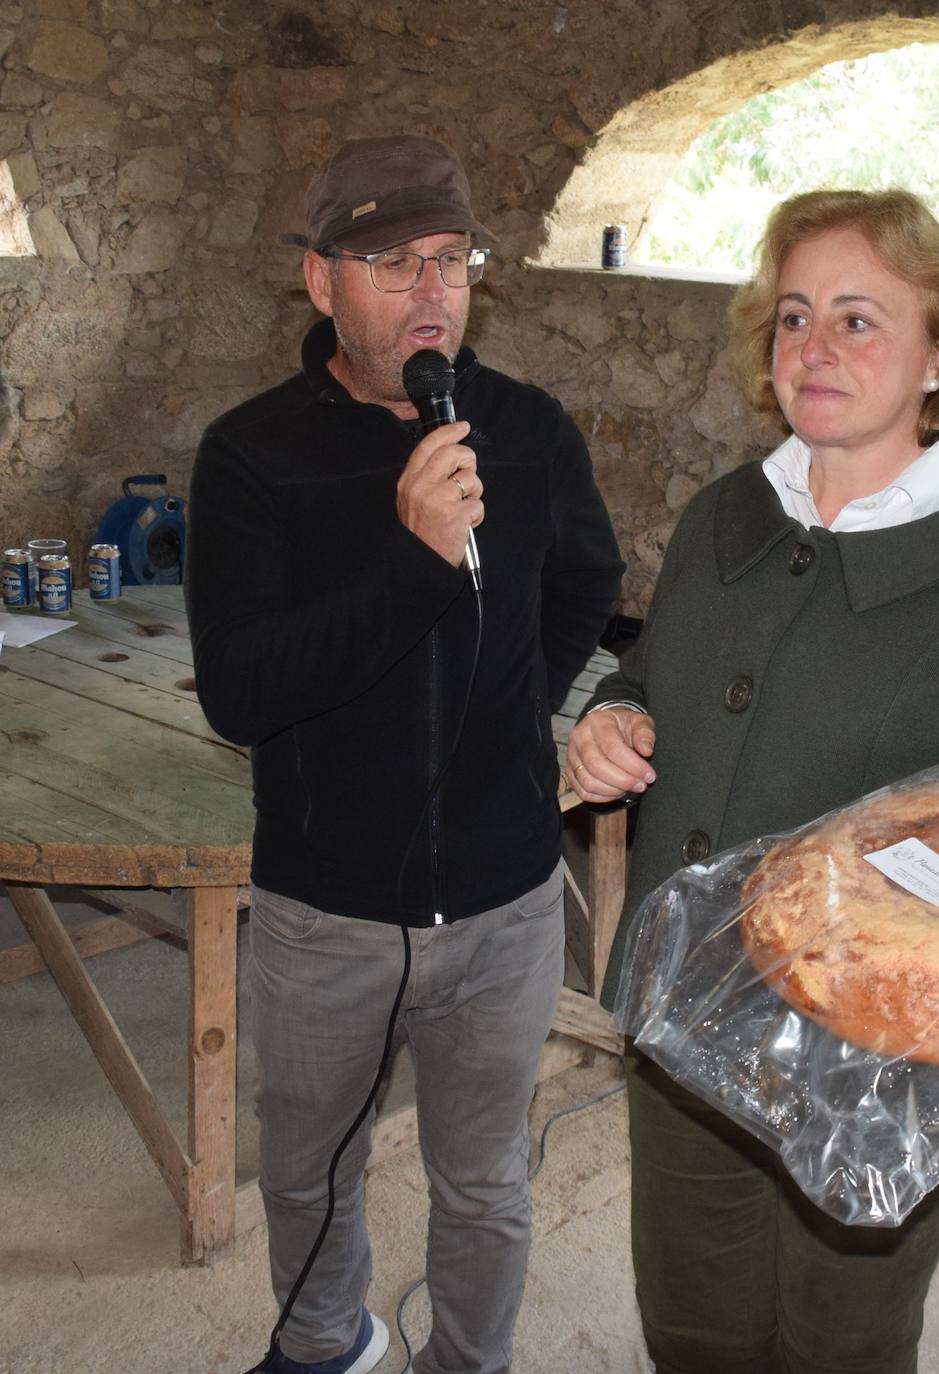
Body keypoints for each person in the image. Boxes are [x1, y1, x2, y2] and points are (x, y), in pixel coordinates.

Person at [567, 188, 939, 1374]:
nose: (814, 348)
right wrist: (610, 722)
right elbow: (652, 673)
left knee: (839, 1344)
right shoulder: (724, 519)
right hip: (685, 1021)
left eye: (859, 320)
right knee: (696, 1329)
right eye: (794, 317)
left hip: (881, 1063)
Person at [186, 135, 623, 1374]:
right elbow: (240, 692)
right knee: (312, 1169)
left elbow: (587, 579)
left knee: (482, 1180)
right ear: (321, 283)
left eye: (449, 260)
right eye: (392, 264)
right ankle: (324, 1343)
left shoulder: (527, 430)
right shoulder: (252, 454)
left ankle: (466, 1361)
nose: (432, 291)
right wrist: (412, 560)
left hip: (505, 903)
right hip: (325, 906)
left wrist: (514, 711)